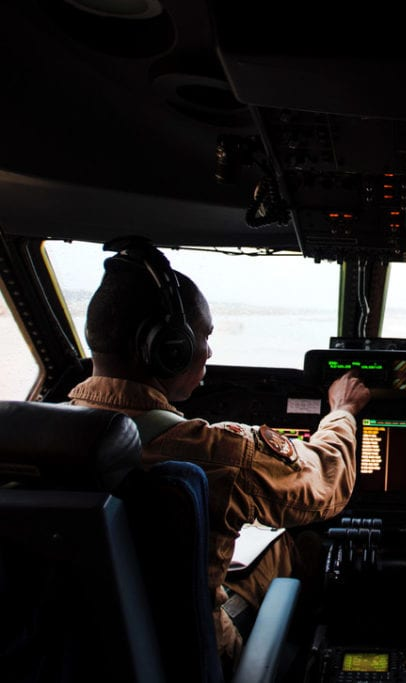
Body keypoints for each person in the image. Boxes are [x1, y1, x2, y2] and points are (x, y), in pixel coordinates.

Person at [66, 238, 370, 671]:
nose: (208, 351)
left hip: (65, 651)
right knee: (291, 543)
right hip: (189, 658)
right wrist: (342, 412)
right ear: (170, 348)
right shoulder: (217, 454)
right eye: (203, 337)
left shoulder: (31, 438)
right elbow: (325, 483)